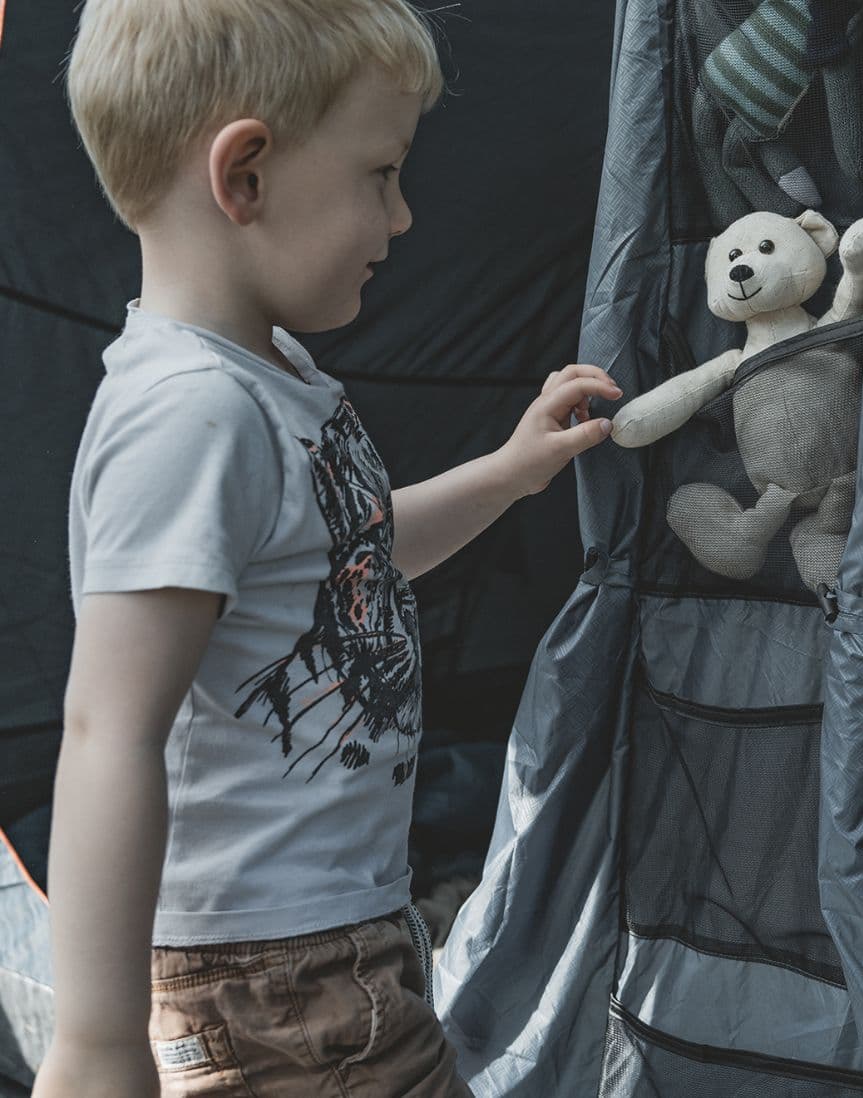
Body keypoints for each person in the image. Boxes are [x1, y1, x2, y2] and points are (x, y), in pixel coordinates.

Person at [31, 2, 621, 1095]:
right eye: (381, 173)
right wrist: (97, 1042)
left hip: (334, 944)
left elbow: (355, 552)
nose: (398, 219)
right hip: (272, 984)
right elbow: (108, 730)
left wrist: (510, 469)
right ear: (245, 176)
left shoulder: (273, 378)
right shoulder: (191, 416)